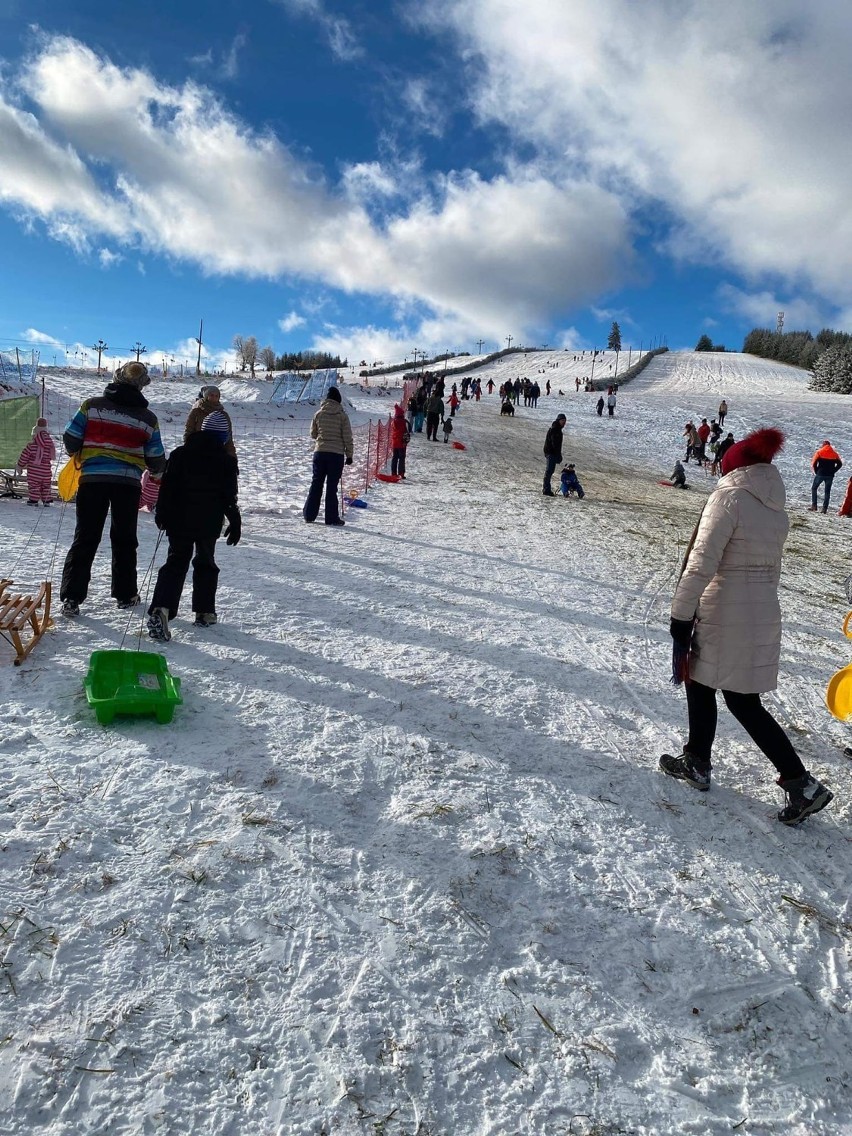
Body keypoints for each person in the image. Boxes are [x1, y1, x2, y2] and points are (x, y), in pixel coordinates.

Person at [661, 428, 833, 825]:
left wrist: (680, 614)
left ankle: (800, 782)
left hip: (724, 610)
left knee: (738, 699)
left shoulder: (729, 497)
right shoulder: (775, 507)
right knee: (706, 684)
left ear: (733, 467)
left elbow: (702, 560)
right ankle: (697, 761)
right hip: (759, 610)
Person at [59, 361, 165, 617]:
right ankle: (125, 594)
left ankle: (72, 598)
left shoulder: (92, 406)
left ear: (116, 379)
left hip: (92, 480)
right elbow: (156, 457)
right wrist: (158, 475)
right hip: (127, 485)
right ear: (142, 385)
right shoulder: (148, 418)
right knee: (124, 539)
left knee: (85, 536)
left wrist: (77, 452)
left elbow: (71, 438)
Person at [146, 411, 241, 640]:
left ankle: (162, 608)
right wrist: (235, 519)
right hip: (209, 521)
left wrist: (163, 512)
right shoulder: (226, 461)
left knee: (176, 562)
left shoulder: (180, 454)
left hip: (179, 519)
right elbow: (229, 496)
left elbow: (167, 487)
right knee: (205, 562)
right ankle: (204, 611)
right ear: (223, 437)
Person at [302, 386, 353, 526]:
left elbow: (313, 434)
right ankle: (331, 518)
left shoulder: (318, 414)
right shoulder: (342, 416)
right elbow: (347, 437)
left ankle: (309, 514)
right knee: (331, 487)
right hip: (336, 455)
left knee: (316, 483)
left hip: (320, 453)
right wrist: (349, 455)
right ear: (338, 400)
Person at [184, 385, 237, 458]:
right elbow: (188, 431)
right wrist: (188, 449)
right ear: (206, 396)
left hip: (218, 453)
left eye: (216, 396)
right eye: (211, 395)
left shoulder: (223, 414)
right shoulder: (196, 412)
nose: (214, 398)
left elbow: (229, 437)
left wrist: (232, 457)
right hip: (199, 451)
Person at [17, 417, 55, 506]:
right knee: (46, 485)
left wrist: (20, 465)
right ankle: (47, 501)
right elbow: (51, 456)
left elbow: (24, 456)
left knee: (34, 485)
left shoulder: (32, 445)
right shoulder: (50, 445)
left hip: (34, 471)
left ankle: (34, 500)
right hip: (46, 470)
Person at [810, 440, 843, 513]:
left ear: (823, 445)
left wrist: (816, 471)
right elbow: (840, 464)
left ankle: (814, 506)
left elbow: (814, 463)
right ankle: (824, 509)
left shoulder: (819, 452)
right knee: (827, 492)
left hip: (820, 473)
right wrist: (834, 470)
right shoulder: (834, 454)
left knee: (814, 488)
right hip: (830, 475)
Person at [542, 414, 566, 496]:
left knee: (550, 471)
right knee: (549, 471)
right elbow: (554, 444)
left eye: (565, 421)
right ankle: (546, 489)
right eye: (562, 421)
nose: (564, 423)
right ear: (558, 420)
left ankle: (546, 488)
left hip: (552, 453)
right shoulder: (555, 429)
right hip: (550, 453)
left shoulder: (558, 429)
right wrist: (557, 455)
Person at [390, 404, 409, 478]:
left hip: (395, 443)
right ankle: (401, 473)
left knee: (394, 458)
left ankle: (393, 472)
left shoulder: (393, 422)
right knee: (402, 458)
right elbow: (407, 431)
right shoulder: (404, 422)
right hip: (402, 443)